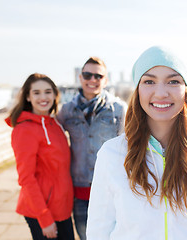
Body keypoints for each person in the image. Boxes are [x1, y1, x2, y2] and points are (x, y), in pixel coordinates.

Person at [86, 46, 187, 240]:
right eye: (149, 81)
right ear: (137, 90)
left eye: (173, 81)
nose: (161, 93)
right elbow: (98, 229)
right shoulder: (112, 153)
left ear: (186, 90)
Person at [57, 57, 127, 240]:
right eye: (88, 75)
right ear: (80, 78)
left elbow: (128, 145)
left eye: (98, 75)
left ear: (106, 80)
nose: (92, 80)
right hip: (80, 191)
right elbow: (50, 134)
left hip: (110, 188)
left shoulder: (119, 109)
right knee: (86, 236)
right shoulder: (67, 110)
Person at [6, 73, 75, 240]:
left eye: (48, 92)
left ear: (55, 95)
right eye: (36, 93)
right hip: (42, 211)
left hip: (63, 209)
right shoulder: (24, 130)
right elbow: (26, 178)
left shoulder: (54, 124)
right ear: (28, 97)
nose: (43, 97)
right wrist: (44, 218)